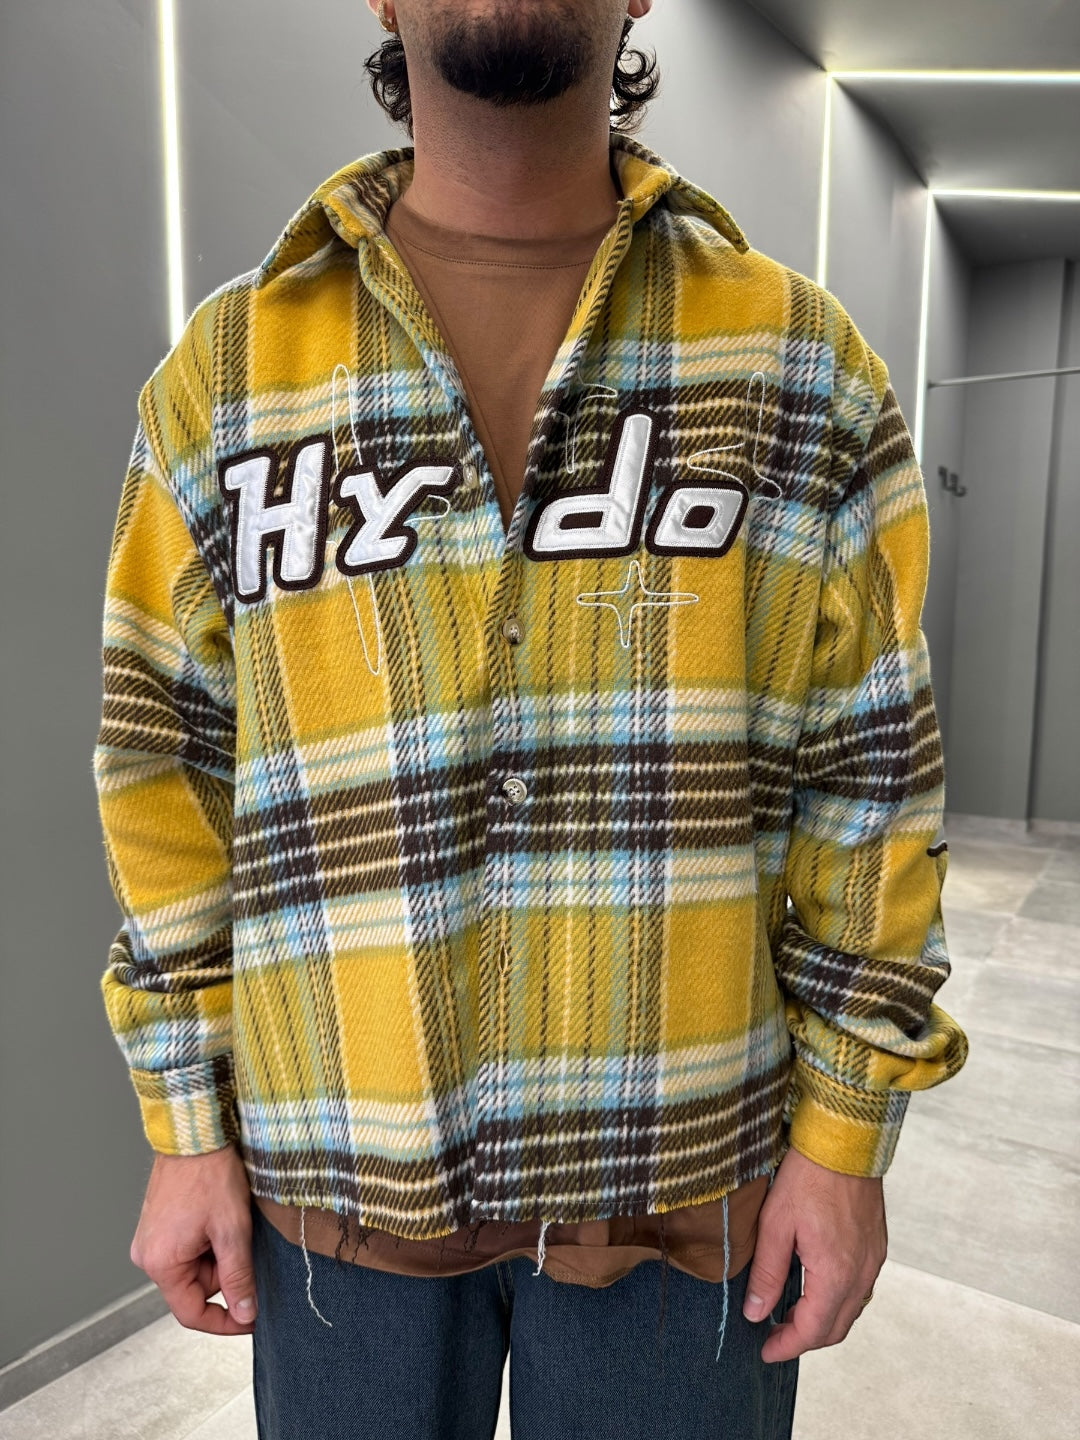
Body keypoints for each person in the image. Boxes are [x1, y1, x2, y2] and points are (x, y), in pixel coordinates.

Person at [92, 2, 969, 1436]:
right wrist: (187, 1122)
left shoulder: (797, 360)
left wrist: (845, 1131)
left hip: (691, 1185)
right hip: (338, 1182)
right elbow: (165, 766)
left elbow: (871, 776)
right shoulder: (229, 372)